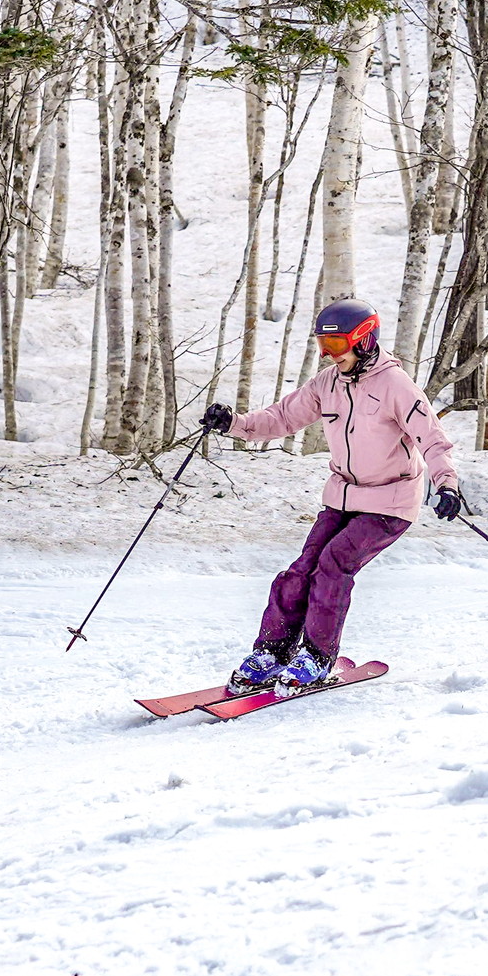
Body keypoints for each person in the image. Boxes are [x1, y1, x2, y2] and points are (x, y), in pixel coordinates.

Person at [201, 298, 462, 699]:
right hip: (343, 496)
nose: (328, 354)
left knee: (333, 564)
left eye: (336, 345)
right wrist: (233, 424)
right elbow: (281, 418)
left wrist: (446, 484)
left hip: (390, 501)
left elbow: (432, 438)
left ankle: (317, 657)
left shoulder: (396, 386)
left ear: (364, 340)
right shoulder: (327, 384)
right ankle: (272, 652)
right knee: (301, 569)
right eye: (323, 345)